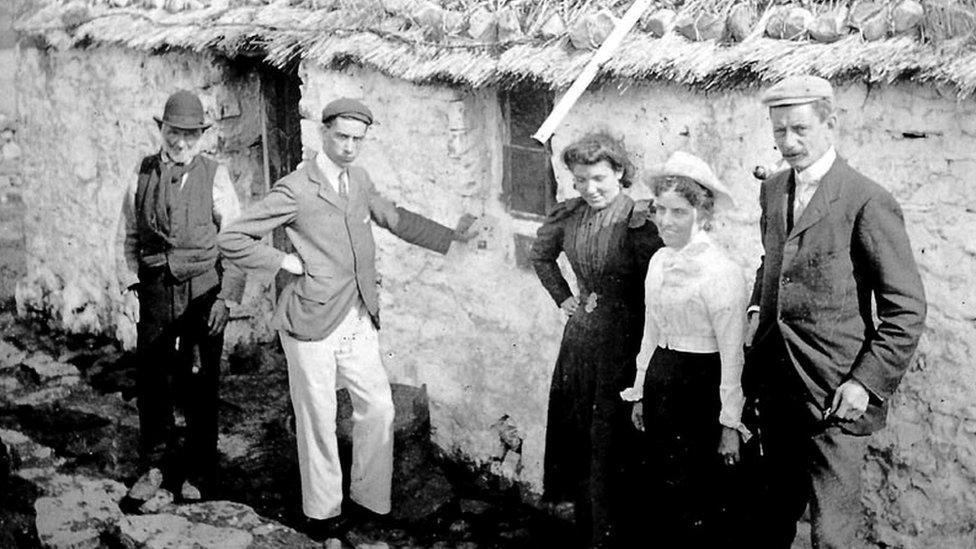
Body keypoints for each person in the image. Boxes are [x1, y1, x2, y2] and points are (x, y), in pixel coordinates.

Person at [217, 98, 479, 538]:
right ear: (324, 133)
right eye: (342, 136)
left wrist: (449, 235)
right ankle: (321, 515)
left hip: (357, 314)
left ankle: (370, 501)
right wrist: (285, 262)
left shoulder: (359, 180)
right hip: (311, 319)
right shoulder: (296, 188)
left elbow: (393, 217)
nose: (350, 147)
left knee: (378, 406)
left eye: (359, 139)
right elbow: (234, 236)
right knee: (317, 417)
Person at [744, 75, 927, 548]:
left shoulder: (867, 199)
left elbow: (906, 308)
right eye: (779, 131)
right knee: (770, 519)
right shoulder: (773, 190)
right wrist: (755, 308)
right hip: (777, 384)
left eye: (801, 129)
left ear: (831, 124)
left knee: (831, 535)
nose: (788, 143)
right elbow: (772, 263)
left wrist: (864, 383)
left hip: (834, 393)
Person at [530, 131, 662, 548]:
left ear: (620, 173)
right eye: (581, 180)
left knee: (613, 449)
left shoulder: (638, 222)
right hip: (580, 345)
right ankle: (590, 535)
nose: (590, 189)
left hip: (624, 350)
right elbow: (540, 255)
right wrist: (565, 298)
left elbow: (656, 290)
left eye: (599, 179)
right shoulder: (569, 215)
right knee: (580, 442)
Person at [115, 90, 245, 502]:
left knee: (200, 380)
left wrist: (227, 297)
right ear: (161, 130)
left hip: (203, 288)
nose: (181, 142)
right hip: (155, 287)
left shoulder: (214, 174)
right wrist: (131, 284)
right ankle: (155, 466)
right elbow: (127, 236)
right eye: (174, 132)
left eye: (190, 134)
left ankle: (200, 470)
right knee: (153, 377)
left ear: (202, 136)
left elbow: (236, 238)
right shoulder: (141, 173)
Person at [620, 151, 749, 545]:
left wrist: (730, 423)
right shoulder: (659, 261)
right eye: (660, 210)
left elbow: (732, 355)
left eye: (678, 212)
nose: (665, 221)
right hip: (662, 380)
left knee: (699, 492)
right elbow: (650, 330)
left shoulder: (721, 271)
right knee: (662, 488)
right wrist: (640, 391)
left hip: (702, 387)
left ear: (702, 214)